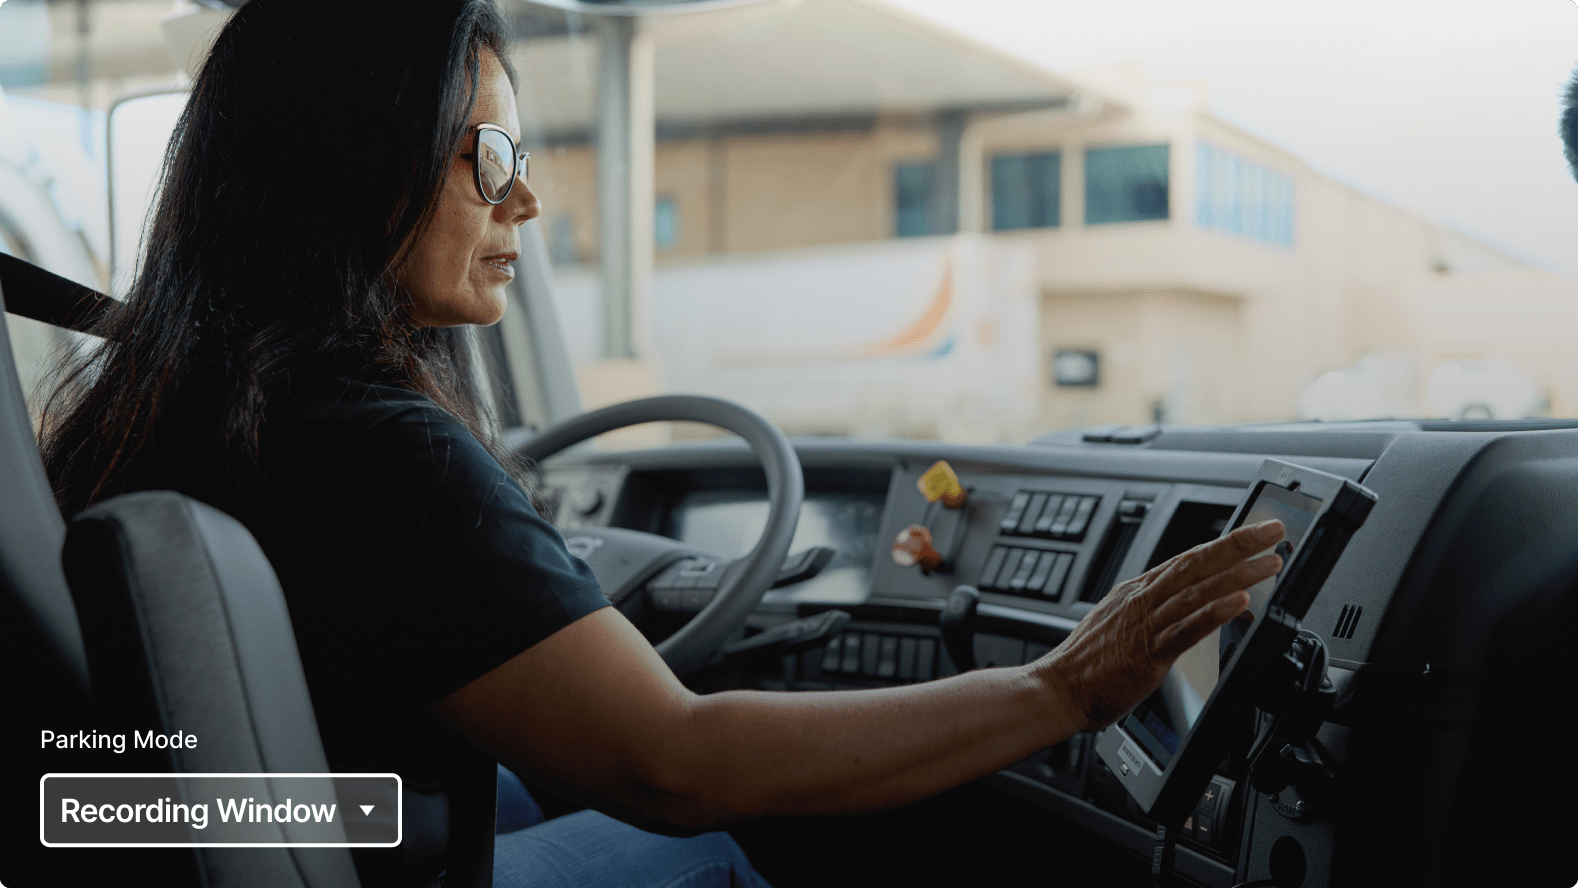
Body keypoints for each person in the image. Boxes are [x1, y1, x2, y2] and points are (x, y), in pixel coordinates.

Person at [38, 1, 1285, 885]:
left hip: (304, 833)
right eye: (492, 158)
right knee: (709, 844)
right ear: (361, 165)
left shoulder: (158, 408)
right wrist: (1056, 689)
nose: (524, 198)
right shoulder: (384, 453)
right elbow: (675, 762)